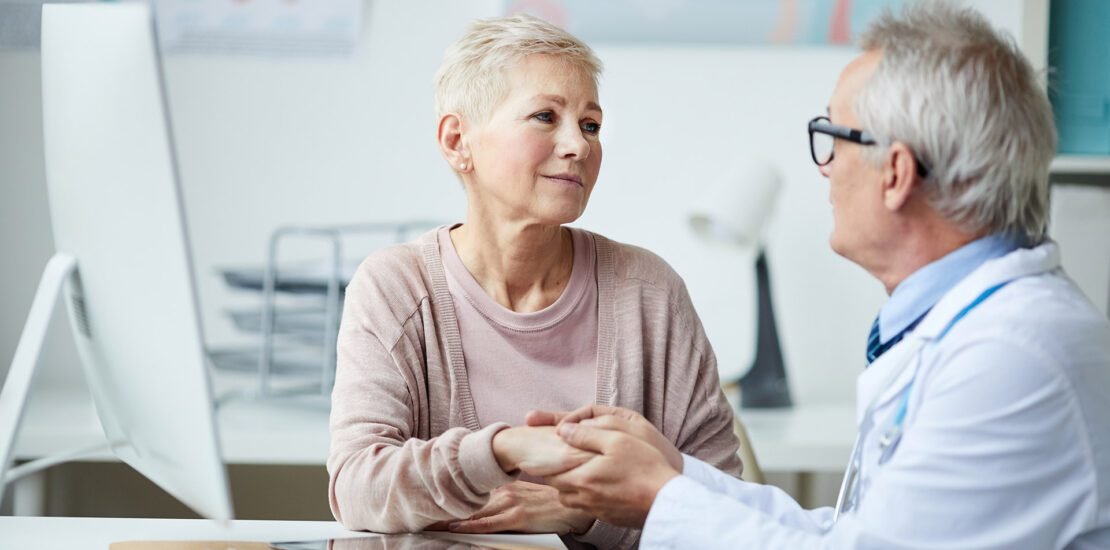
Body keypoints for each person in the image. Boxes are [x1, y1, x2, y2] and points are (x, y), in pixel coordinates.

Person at [522, 3, 1110, 548]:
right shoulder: (979, 328)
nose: (824, 170)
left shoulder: (1011, 354)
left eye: (833, 138)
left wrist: (660, 497)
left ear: (897, 173)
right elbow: (855, 533)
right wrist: (675, 475)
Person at [326, 14, 743, 549]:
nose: (579, 145)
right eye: (546, 116)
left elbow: (725, 509)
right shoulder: (397, 287)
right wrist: (504, 451)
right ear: (458, 142)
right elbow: (359, 486)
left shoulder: (650, 292)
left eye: (590, 125)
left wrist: (579, 513)